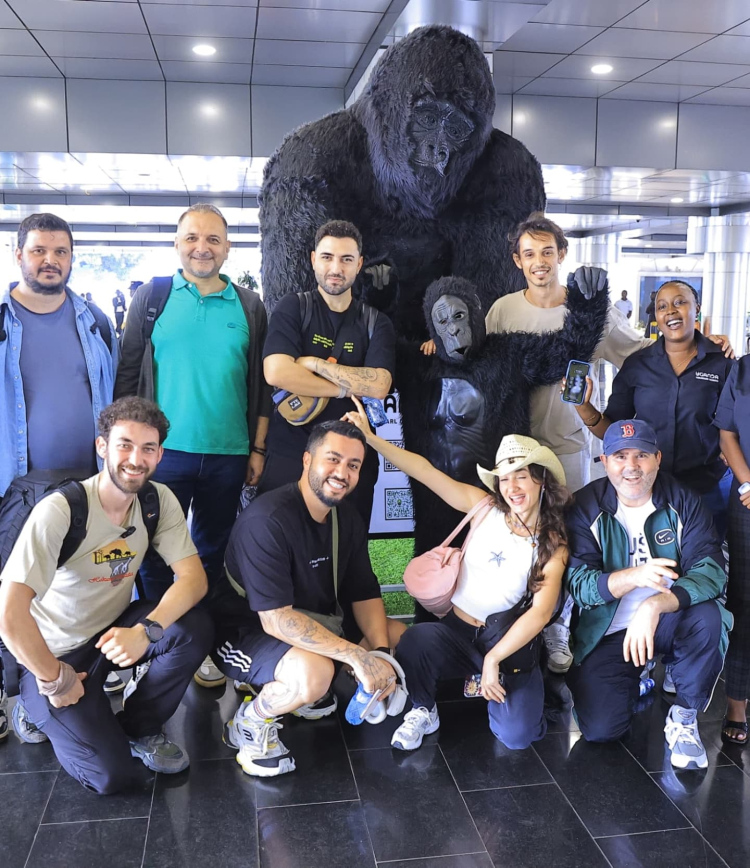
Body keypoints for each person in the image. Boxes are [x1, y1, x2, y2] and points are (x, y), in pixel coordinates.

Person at [0, 398, 213, 794]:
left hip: (110, 635)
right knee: (110, 777)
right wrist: (55, 679)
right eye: (124, 445)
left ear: (160, 455)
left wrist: (146, 631)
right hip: (53, 654)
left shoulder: (156, 500)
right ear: (102, 447)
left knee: (192, 627)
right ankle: (33, 708)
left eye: (148, 448)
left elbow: (194, 580)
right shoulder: (61, 511)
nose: (136, 459)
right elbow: (9, 617)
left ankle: (139, 727)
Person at [344, 397, 568, 752]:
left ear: (541, 480)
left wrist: (494, 658)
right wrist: (371, 439)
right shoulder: (484, 507)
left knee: (517, 737)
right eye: (504, 478)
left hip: (505, 642)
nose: (512, 487)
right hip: (456, 631)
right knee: (416, 641)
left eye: (522, 476)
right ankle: (423, 708)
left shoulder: (553, 543)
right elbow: (424, 472)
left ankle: (519, 688)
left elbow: (540, 613)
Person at [115, 203, 271, 689]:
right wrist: (127, 450)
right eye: (192, 238)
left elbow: (261, 386)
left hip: (228, 453)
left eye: (213, 239)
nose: (202, 248)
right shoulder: (152, 298)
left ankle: (202, 643)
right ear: (177, 244)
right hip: (162, 456)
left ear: (227, 248)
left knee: (211, 552)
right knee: (153, 551)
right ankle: (158, 641)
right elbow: (127, 376)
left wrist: (257, 449)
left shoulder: (249, 306)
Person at [210, 419, 404, 777]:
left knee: (399, 638)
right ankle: (250, 721)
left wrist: (380, 654)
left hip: (314, 620)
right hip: (245, 630)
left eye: (353, 465)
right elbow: (275, 619)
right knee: (314, 673)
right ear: (306, 459)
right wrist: (355, 656)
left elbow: (363, 591)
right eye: (333, 459)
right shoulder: (267, 520)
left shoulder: (346, 517)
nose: (342, 473)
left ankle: (309, 690)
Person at [0, 212, 121, 730]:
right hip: (18, 487)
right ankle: (19, 694)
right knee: (17, 591)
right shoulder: (2, 321)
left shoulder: (94, 320)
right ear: (18, 255)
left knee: (80, 586)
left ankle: (77, 679)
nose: (50, 261)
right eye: (39, 251)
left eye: (60, 252)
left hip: (87, 483)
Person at [565, 419, 731, 770]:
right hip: (610, 631)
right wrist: (635, 576)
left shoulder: (683, 500)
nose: (632, 466)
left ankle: (684, 716)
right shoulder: (585, 506)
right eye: (620, 456)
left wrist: (654, 605)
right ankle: (638, 674)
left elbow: (711, 570)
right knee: (600, 730)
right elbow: (580, 585)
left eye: (641, 455)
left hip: (668, 619)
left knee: (709, 617)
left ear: (657, 458)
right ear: (604, 461)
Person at [573, 280, 734, 539]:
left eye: (680, 302)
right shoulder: (638, 365)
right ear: (656, 315)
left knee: (708, 556)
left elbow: (736, 423)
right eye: (662, 306)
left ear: (696, 308)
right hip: (651, 488)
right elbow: (613, 429)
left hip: (710, 487)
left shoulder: (722, 362)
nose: (671, 311)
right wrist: (584, 407)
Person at [261, 220, 396, 527]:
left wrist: (315, 364)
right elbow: (276, 372)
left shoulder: (375, 322)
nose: (336, 268)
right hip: (290, 452)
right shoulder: (293, 308)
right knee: (282, 539)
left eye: (346, 259)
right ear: (313, 259)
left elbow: (379, 385)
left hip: (352, 458)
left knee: (348, 544)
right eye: (327, 257)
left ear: (359, 264)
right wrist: (343, 389)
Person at [715, 356, 750, 745]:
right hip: (747, 501)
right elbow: (727, 434)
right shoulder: (742, 371)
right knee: (744, 599)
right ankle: (737, 705)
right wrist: (747, 484)